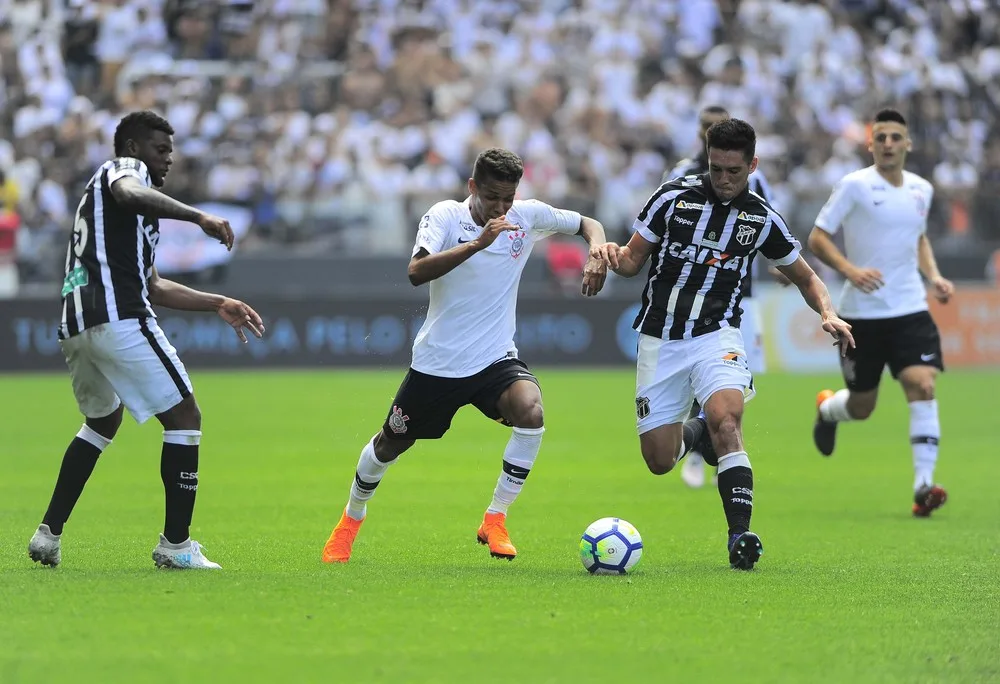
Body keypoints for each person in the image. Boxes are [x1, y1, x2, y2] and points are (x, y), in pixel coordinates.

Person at [322, 148, 611, 564]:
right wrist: (478, 244)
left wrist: (597, 250)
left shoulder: (525, 216)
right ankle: (350, 521)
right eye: (492, 196)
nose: (500, 207)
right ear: (472, 187)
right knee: (389, 445)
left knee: (531, 411)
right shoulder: (445, 217)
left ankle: (495, 518)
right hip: (437, 365)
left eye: (507, 198)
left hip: (494, 359)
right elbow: (415, 272)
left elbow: (588, 223)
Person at [600, 119, 854, 570]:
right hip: (661, 338)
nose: (723, 179)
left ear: (752, 165)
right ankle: (696, 436)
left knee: (727, 418)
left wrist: (827, 312)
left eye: (733, 171)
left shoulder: (760, 217)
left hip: (718, 334)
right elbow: (632, 261)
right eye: (716, 169)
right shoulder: (671, 199)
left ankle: (740, 535)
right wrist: (607, 256)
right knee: (659, 460)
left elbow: (806, 276)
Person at [27, 110, 265, 570]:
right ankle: (176, 546)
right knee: (184, 415)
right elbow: (128, 191)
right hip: (117, 317)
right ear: (134, 148)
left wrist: (218, 302)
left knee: (102, 421)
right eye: (161, 149)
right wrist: (198, 216)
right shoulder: (124, 172)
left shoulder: (128, 216)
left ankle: (47, 535)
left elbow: (153, 285)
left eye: (171, 151)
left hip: (78, 324)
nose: (169, 159)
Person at [808, 108, 953, 517]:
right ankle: (826, 409)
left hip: (910, 309)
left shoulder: (922, 189)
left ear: (908, 144)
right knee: (861, 407)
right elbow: (817, 238)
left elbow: (918, 238)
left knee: (923, 385)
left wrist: (935, 277)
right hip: (861, 316)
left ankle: (923, 487)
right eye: (881, 137)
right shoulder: (854, 186)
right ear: (870, 144)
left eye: (896, 137)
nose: (888, 143)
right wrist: (851, 270)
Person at [665, 105, 780, 489]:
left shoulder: (753, 180)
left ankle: (722, 454)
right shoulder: (681, 175)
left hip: (739, 297)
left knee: (733, 383)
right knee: (708, 379)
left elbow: (766, 224)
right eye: (704, 127)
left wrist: (779, 264)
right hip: (689, 298)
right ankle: (699, 454)